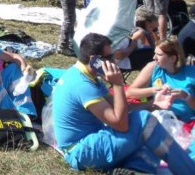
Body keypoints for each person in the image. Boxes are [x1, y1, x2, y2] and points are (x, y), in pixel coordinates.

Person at [52, 32, 195, 174]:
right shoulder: (82, 85)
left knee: (147, 136)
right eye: (108, 57)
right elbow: (121, 123)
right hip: (80, 151)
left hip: (90, 143)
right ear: (94, 60)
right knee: (144, 122)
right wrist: (118, 84)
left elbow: (121, 108)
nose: (113, 61)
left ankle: (133, 169)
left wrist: (153, 105)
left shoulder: (89, 77)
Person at [127, 37, 195, 123]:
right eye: (154, 53)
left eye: (159, 55)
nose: (154, 57)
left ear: (172, 59)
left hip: (188, 122)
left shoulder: (191, 72)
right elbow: (130, 92)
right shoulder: (153, 67)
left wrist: (186, 96)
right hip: (162, 120)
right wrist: (155, 90)